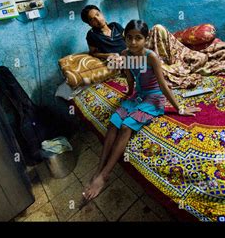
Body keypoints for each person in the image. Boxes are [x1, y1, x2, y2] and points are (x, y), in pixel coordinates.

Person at [82, 20, 201, 201]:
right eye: (129, 38)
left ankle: (104, 174)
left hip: (153, 97)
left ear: (145, 40)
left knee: (126, 126)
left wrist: (180, 108)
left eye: (138, 38)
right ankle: (99, 169)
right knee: (114, 122)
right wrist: (129, 94)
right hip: (138, 94)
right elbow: (130, 78)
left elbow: (162, 84)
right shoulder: (124, 54)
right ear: (125, 38)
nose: (133, 42)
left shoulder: (150, 56)